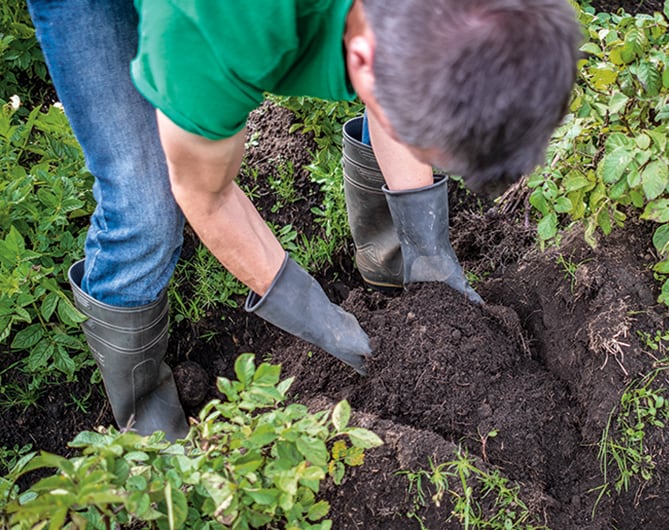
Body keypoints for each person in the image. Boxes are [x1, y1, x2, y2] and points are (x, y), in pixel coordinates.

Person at [27, 0, 581, 441]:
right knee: (144, 205)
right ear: (360, 59)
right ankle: (147, 427)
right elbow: (206, 195)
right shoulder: (217, 35)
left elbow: (410, 77)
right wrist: (320, 319)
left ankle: (400, 264)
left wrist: (431, 249)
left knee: (408, 98)